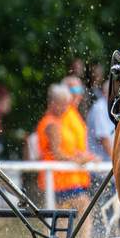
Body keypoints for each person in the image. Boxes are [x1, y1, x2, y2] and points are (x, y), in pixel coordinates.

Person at [35, 82, 93, 227]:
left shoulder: (57, 122)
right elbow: (57, 153)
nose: (66, 108)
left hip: (62, 180)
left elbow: (66, 150)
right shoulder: (51, 124)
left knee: (62, 221)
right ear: (53, 103)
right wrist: (78, 160)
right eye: (63, 104)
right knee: (83, 207)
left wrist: (80, 156)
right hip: (58, 181)